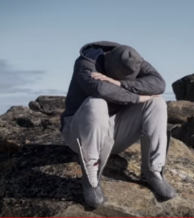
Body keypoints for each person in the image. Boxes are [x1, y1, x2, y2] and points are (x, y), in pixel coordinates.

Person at [60, 41, 176, 208]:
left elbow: (159, 84)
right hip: (80, 133)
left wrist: (120, 83)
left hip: (115, 131)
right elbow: (100, 89)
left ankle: (153, 172)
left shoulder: (133, 60)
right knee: (96, 102)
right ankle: (91, 179)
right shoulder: (87, 61)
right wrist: (137, 98)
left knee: (157, 103)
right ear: (107, 61)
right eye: (118, 77)